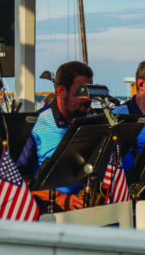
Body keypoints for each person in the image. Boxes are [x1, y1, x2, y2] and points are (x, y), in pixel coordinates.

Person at [16, 61, 93, 211]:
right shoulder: (34, 126)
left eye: (90, 92)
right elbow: (18, 180)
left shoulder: (91, 121)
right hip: (53, 210)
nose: (88, 98)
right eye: (82, 92)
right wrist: (59, 198)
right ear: (61, 91)